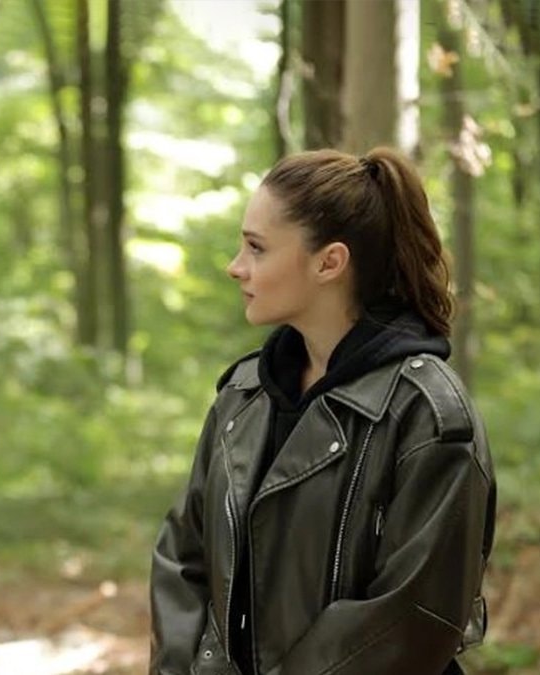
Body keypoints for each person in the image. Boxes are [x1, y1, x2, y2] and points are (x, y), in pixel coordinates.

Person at [150, 148, 496, 675]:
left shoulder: (428, 416)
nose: (235, 266)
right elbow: (183, 559)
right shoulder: (243, 397)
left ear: (329, 262)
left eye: (256, 248)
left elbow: (414, 615)